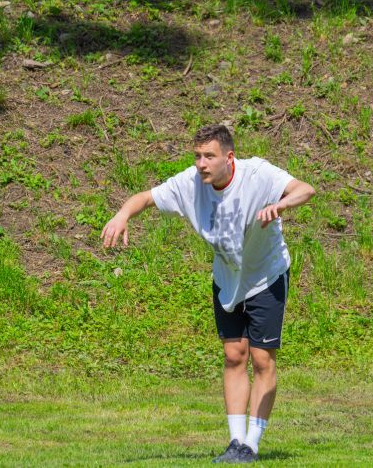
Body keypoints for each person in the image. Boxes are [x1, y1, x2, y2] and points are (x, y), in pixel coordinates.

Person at [101, 124, 315, 463]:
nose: (201, 164)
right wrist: (122, 214)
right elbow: (145, 198)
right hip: (227, 277)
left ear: (229, 158)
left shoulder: (257, 174)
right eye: (198, 156)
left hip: (266, 275)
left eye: (209, 156)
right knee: (234, 355)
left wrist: (282, 204)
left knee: (262, 359)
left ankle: (252, 444)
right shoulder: (189, 183)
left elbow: (306, 189)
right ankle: (236, 442)